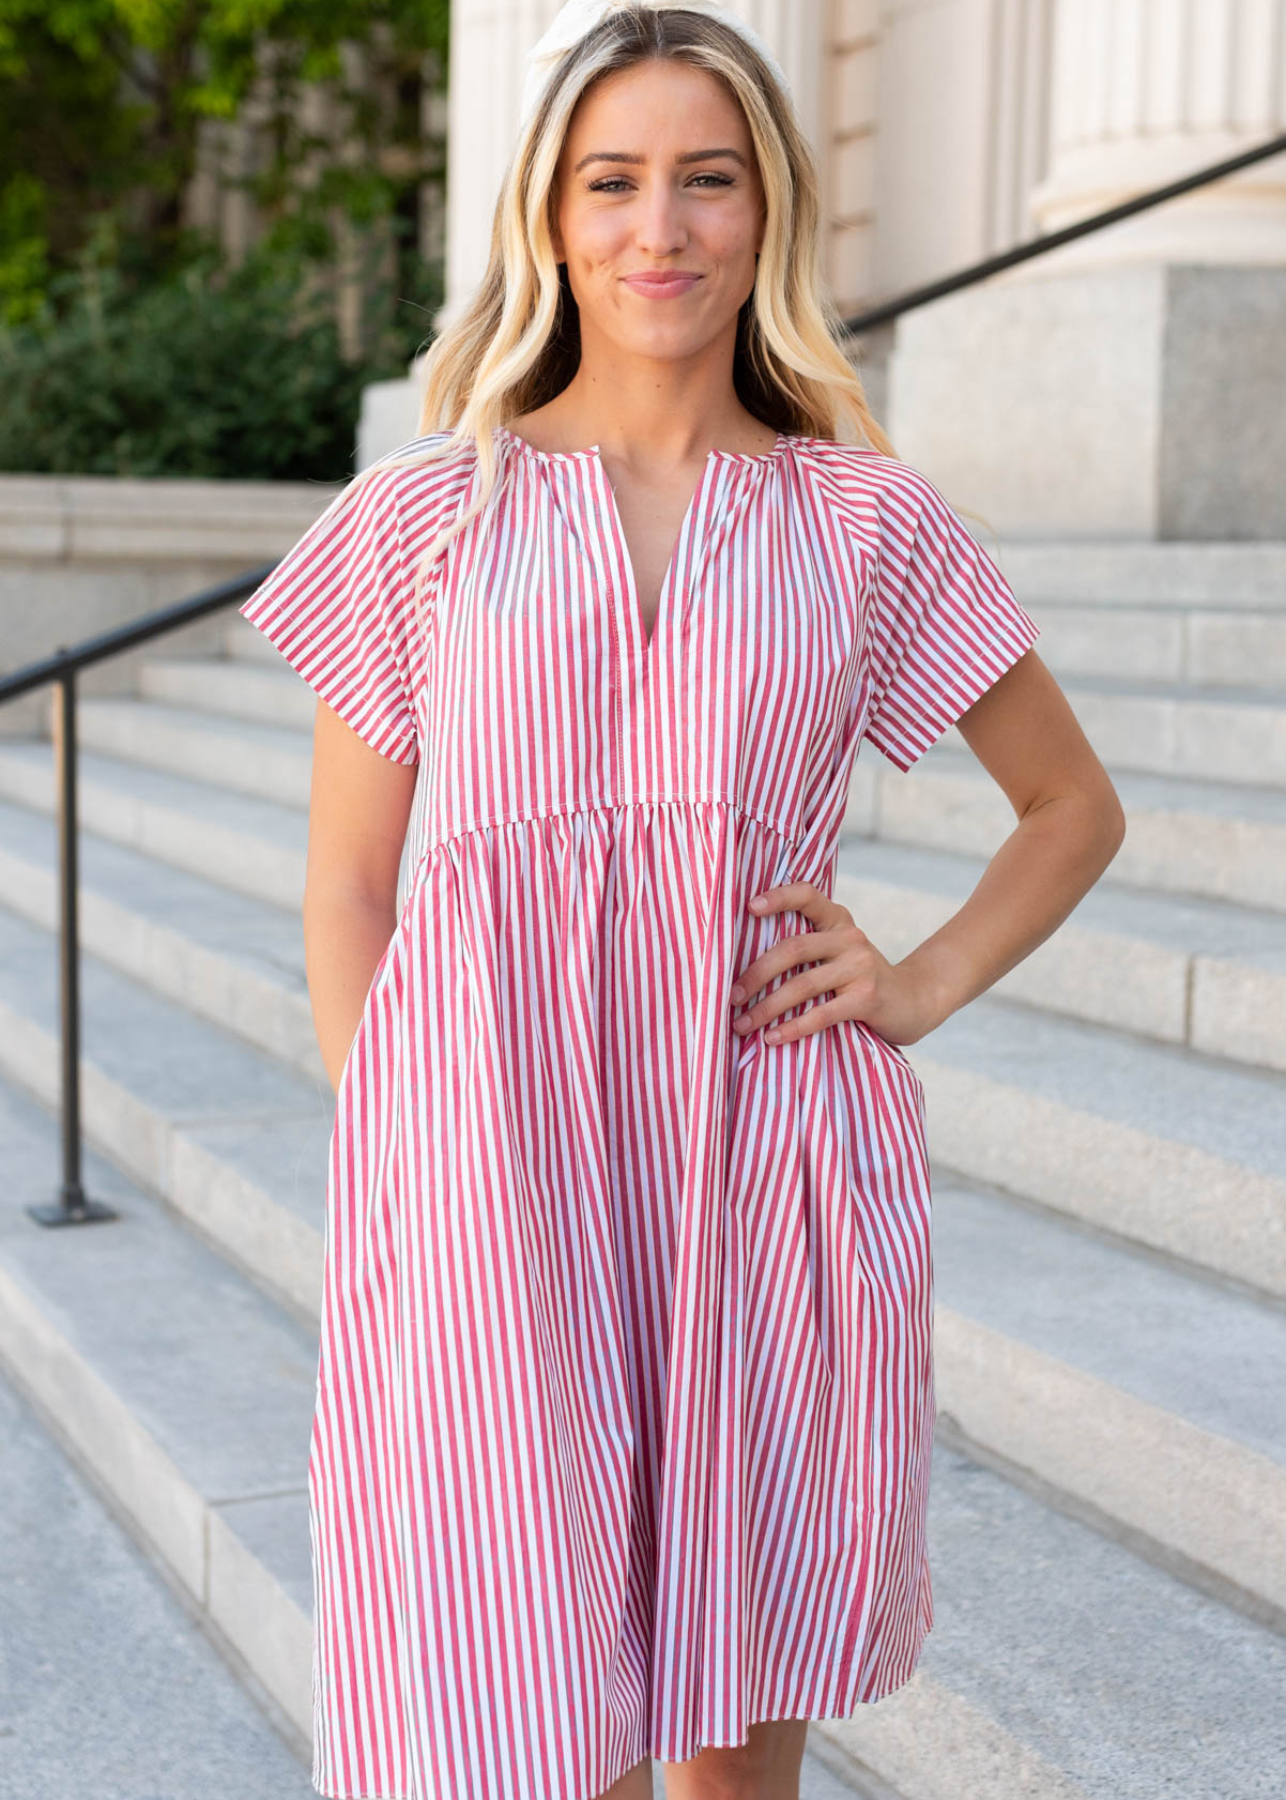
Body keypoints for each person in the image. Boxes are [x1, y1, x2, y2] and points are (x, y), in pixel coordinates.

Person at [237, 6, 1126, 1800]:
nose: (662, 227)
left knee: (731, 1754)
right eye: (615, 180)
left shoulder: (862, 521)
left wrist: (916, 980)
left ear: (770, 210)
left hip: (764, 1162)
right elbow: (348, 878)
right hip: (489, 1170)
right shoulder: (422, 518)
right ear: (551, 218)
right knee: (515, 1724)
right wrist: (397, 1128)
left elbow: (1067, 807)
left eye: (706, 180)